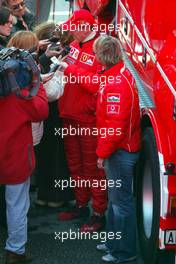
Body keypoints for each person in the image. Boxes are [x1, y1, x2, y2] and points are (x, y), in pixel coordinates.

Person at [57, 9, 108, 232]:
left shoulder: (101, 48)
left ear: (85, 27)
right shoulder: (75, 46)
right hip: (69, 115)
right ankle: (81, 205)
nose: (71, 32)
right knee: (75, 165)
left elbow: (95, 85)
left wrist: (70, 67)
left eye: (74, 28)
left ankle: (98, 214)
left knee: (93, 169)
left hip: (88, 120)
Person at [92, 36, 141, 263]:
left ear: (103, 55)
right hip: (120, 148)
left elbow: (115, 125)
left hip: (120, 151)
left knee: (121, 203)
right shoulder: (115, 75)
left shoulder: (115, 82)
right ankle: (114, 242)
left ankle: (124, 251)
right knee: (116, 200)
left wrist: (102, 154)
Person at [0, 33, 49, 264]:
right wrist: (36, 82)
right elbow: (41, 111)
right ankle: (14, 251)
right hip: (15, 155)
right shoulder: (21, 94)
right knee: (17, 204)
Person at [33, 23, 74, 208]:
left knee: (43, 154)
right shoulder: (54, 61)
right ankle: (56, 195)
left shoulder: (36, 58)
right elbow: (54, 92)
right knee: (58, 154)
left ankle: (44, 193)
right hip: (55, 110)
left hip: (42, 114)